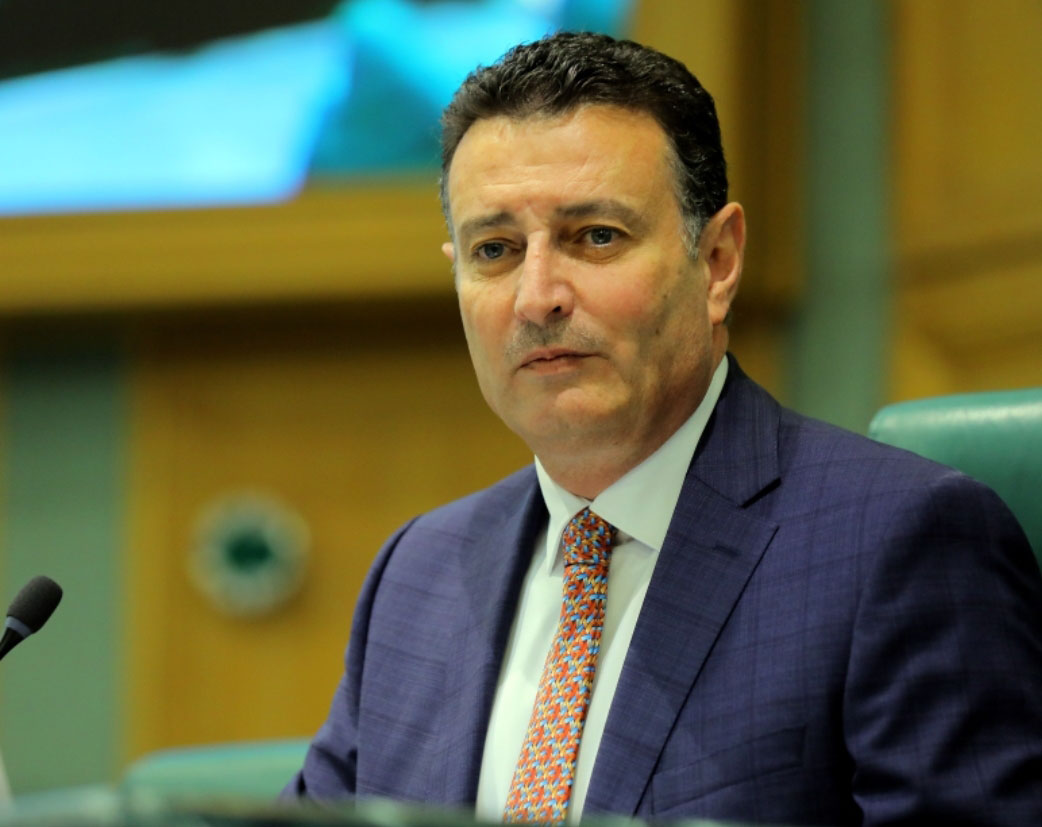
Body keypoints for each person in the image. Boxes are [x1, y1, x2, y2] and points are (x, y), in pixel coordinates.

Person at [284, 32, 1042, 825]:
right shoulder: (417, 574)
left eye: (595, 237)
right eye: (495, 250)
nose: (537, 297)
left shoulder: (897, 542)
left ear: (717, 262)